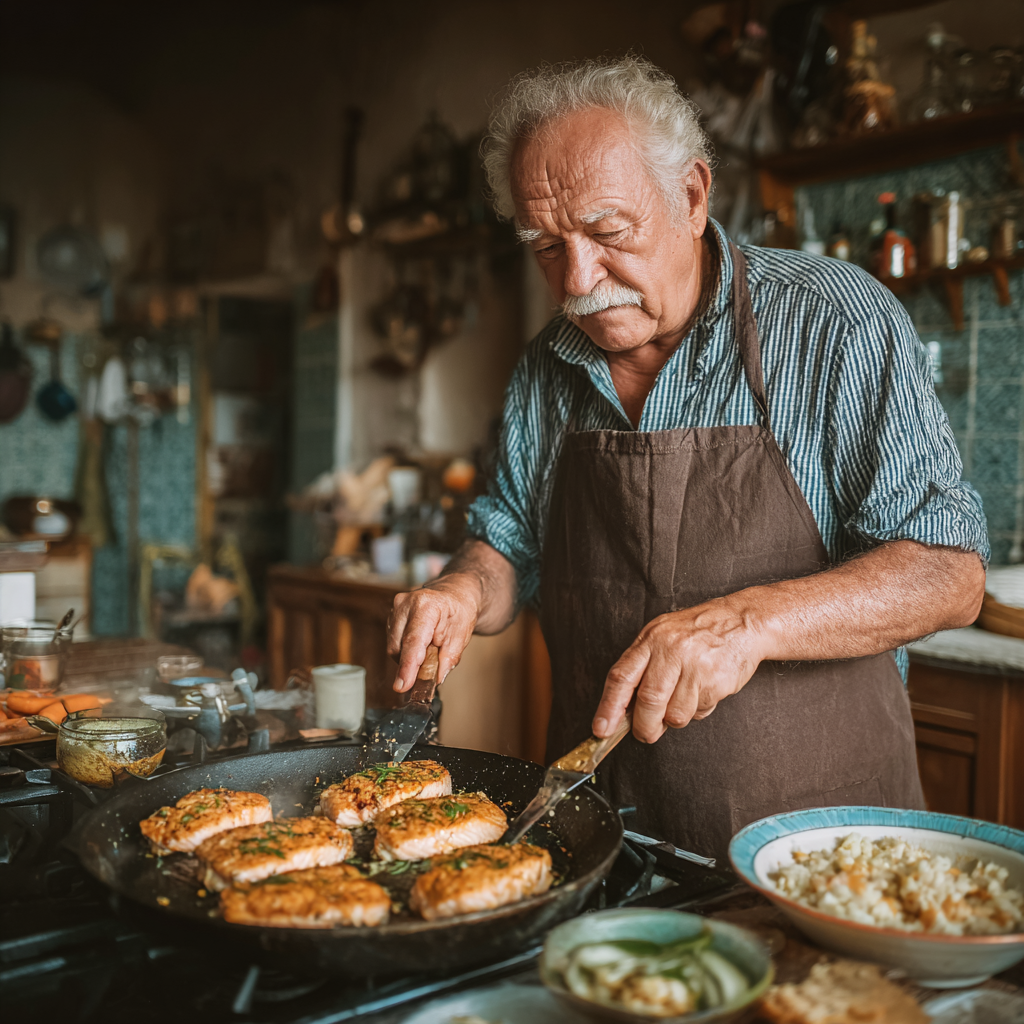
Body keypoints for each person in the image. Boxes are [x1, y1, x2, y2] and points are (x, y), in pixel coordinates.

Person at [386, 56, 988, 861]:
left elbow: (950, 577)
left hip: (818, 845)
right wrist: (462, 588)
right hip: (600, 835)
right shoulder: (546, 366)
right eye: (544, 246)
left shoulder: (832, 323)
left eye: (607, 233)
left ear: (694, 196)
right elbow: (508, 544)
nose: (578, 278)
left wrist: (746, 623)